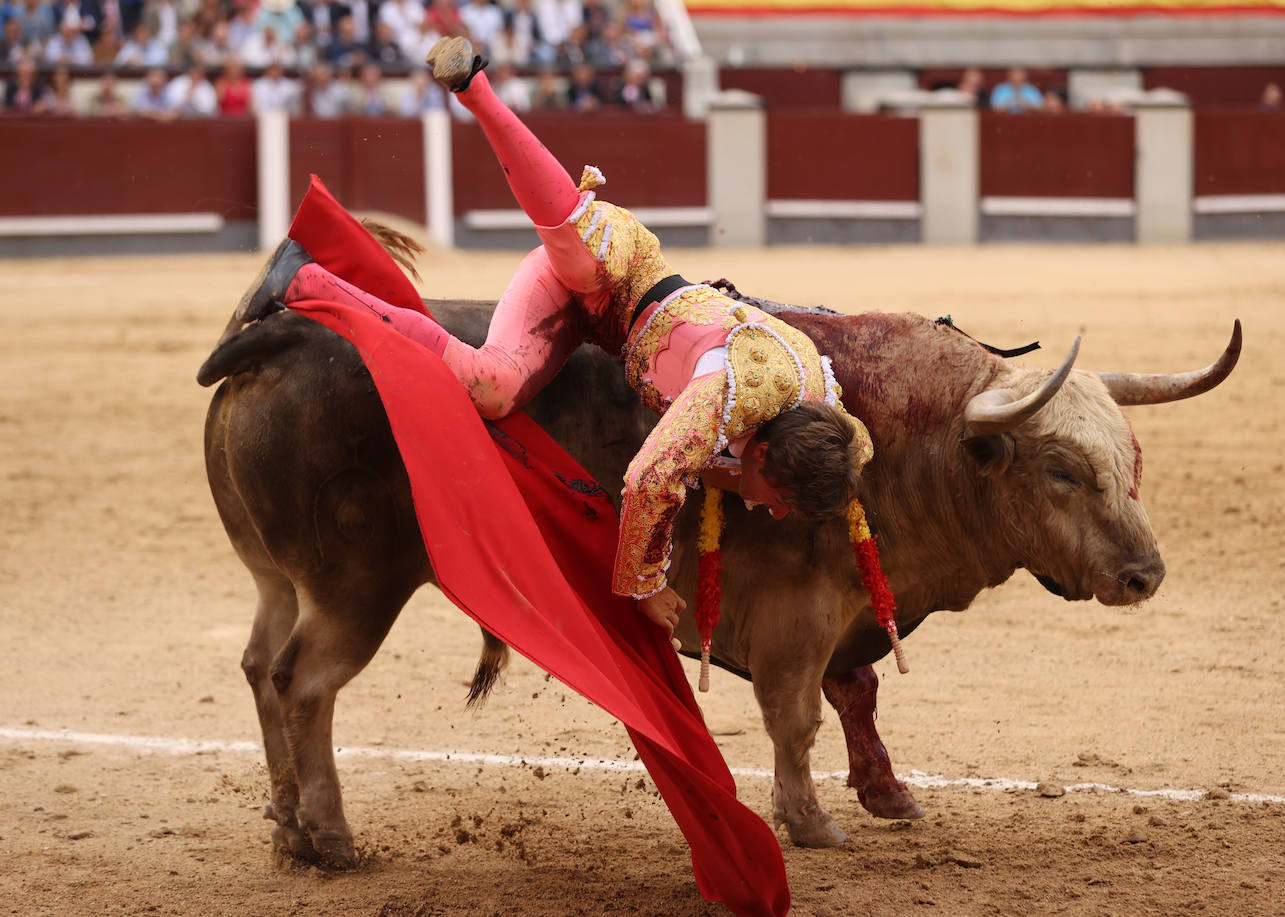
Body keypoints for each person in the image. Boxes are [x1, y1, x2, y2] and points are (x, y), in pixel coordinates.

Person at [235, 36, 874, 637]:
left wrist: (762, 479)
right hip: (622, 272)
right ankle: (472, 90)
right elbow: (652, 479)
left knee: (495, 388)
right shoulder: (726, 396)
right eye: (784, 499)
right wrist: (645, 583)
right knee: (571, 259)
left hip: (599, 326)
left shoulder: (820, 407)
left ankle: (306, 281)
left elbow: (847, 450)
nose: (780, 513)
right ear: (763, 452)